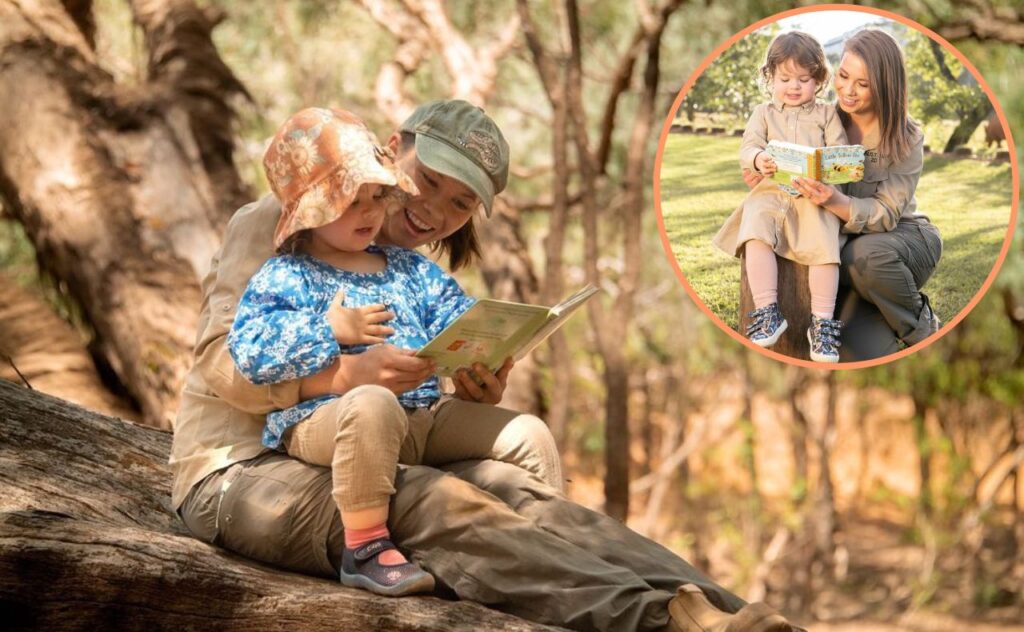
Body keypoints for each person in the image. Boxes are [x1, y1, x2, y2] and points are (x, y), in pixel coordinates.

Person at [172, 99, 802, 630]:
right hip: (242, 470)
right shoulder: (280, 227)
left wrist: (478, 380)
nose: (430, 211)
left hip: (378, 440)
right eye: (426, 180)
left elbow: (425, 386)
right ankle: (658, 620)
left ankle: (726, 612)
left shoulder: (410, 270)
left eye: (459, 203)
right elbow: (223, 368)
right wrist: (341, 377)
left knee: (526, 490)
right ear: (394, 152)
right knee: (429, 499)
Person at [227, 107, 558, 596]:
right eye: (350, 202)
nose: (368, 213)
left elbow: (458, 321)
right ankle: (364, 548)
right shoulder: (290, 271)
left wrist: (481, 362)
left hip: (421, 417)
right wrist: (329, 333)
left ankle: (553, 545)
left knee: (527, 432)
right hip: (331, 419)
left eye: (376, 198)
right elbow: (247, 350)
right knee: (373, 403)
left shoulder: (409, 268)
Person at [748, 29, 942, 361]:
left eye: (862, 84)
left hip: (901, 237)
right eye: (843, 76)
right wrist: (762, 169)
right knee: (856, 351)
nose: (848, 91)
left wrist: (832, 200)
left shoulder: (905, 136)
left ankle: (926, 331)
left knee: (864, 254)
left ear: (884, 87)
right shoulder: (822, 116)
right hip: (841, 249)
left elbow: (887, 213)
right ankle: (879, 305)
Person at [713, 31, 847, 363]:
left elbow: (840, 153)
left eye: (804, 79)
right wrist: (759, 160)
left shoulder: (827, 114)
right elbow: (750, 146)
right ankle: (768, 310)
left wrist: (826, 169)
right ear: (770, 77)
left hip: (811, 194)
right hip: (772, 191)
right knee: (755, 226)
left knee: (824, 244)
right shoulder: (763, 113)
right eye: (785, 78)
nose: (794, 86)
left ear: (818, 81)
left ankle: (822, 324)